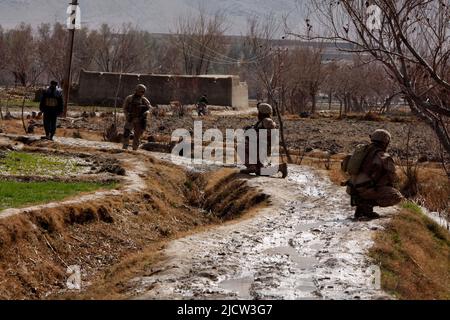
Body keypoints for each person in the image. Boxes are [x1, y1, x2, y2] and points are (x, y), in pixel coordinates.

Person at [342, 129, 404, 220]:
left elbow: (345, 166)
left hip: (351, 188)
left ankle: (362, 205)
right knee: (397, 196)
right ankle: (366, 206)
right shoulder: (383, 156)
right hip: (364, 189)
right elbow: (394, 178)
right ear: (385, 142)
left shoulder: (360, 150)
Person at [240, 102, 288, 178]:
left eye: (259, 111)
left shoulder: (267, 121)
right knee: (260, 171)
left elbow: (269, 133)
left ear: (261, 112)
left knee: (240, 147)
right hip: (261, 149)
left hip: (261, 148)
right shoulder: (264, 121)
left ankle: (251, 166)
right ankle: (280, 168)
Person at [122, 84, 153, 150]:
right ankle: (125, 148)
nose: (142, 93)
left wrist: (146, 112)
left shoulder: (144, 100)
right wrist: (127, 115)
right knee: (126, 133)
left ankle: (134, 149)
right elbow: (125, 108)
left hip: (139, 120)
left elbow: (150, 108)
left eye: (143, 92)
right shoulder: (129, 98)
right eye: (141, 91)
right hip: (130, 118)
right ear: (136, 90)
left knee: (137, 136)